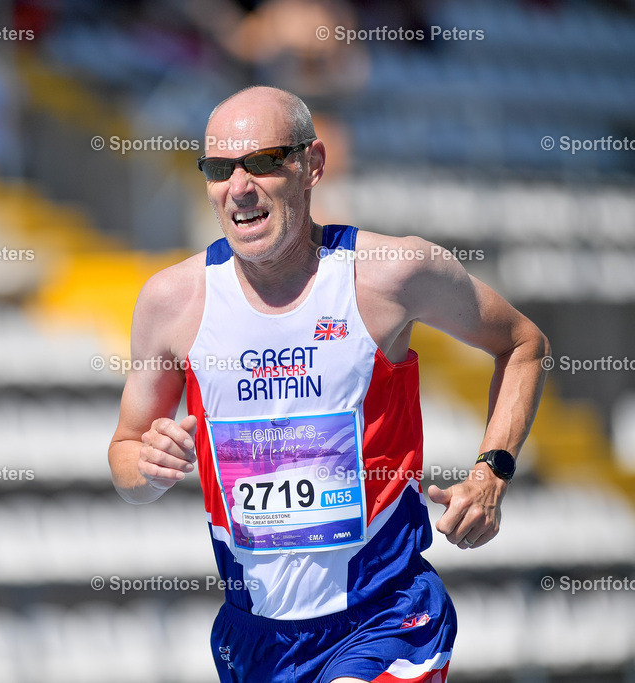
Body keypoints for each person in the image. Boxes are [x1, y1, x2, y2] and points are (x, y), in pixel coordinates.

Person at [108, 85, 549, 683]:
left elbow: (523, 344)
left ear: (312, 164)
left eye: (262, 161)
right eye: (219, 169)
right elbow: (126, 457)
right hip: (257, 638)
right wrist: (149, 465)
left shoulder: (394, 274)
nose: (239, 187)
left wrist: (492, 472)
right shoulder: (171, 302)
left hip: (385, 618)